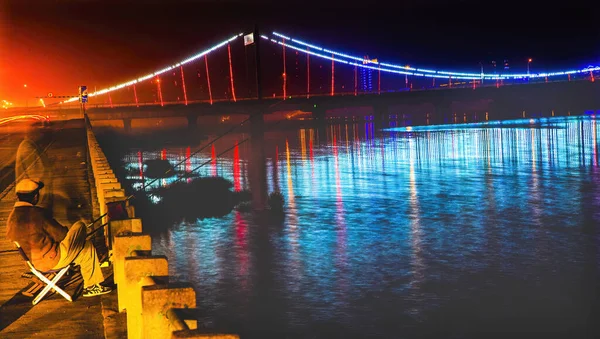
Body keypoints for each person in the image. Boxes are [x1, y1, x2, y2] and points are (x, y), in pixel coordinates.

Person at [6, 179, 112, 297]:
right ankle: (90, 282)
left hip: (33, 263)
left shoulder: (12, 217)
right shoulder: (38, 213)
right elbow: (61, 235)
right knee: (80, 226)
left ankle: (92, 286)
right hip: (53, 259)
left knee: (86, 247)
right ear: (35, 196)